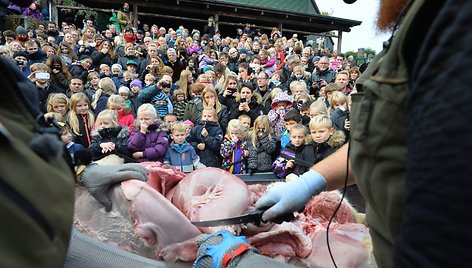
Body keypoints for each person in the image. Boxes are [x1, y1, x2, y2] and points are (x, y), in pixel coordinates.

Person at [254, 1, 472, 267]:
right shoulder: (418, 24)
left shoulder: (454, 18)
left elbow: (448, 211)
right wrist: (311, 181)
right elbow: (381, 139)